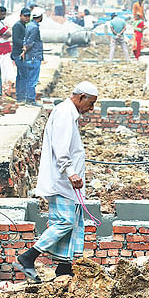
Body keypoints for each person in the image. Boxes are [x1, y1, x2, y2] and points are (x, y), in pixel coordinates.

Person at [13, 81, 99, 282]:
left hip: (68, 183)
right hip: (63, 181)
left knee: (74, 223)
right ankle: (28, 257)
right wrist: (71, 173)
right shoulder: (64, 113)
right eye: (91, 103)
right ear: (80, 97)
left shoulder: (69, 113)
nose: (92, 108)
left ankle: (64, 268)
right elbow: (61, 149)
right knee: (65, 222)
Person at [22, 7, 45, 106]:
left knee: (29, 78)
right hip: (34, 56)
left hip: (29, 56)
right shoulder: (35, 27)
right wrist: (26, 49)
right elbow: (30, 42)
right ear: (39, 17)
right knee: (33, 79)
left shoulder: (29, 25)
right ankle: (30, 99)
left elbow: (26, 40)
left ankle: (27, 97)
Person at [12, 8, 31, 103]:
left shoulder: (24, 26)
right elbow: (15, 40)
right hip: (18, 53)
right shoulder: (17, 26)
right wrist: (24, 45)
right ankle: (21, 96)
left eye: (28, 16)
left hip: (20, 53)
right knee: (24, 75)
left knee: (20, 75)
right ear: (20, 16)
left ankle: (19, 95)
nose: (27, 18)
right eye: (25, 16)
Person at [0, 6, 13, 89]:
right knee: (3, 67)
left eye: (5, 14)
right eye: (2, 14)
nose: (4, 16)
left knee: (6, 67)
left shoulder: (1, 23)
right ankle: (3, 84)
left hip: (5, 48)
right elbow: (9, 34)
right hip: (2, 48)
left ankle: (6, 83)